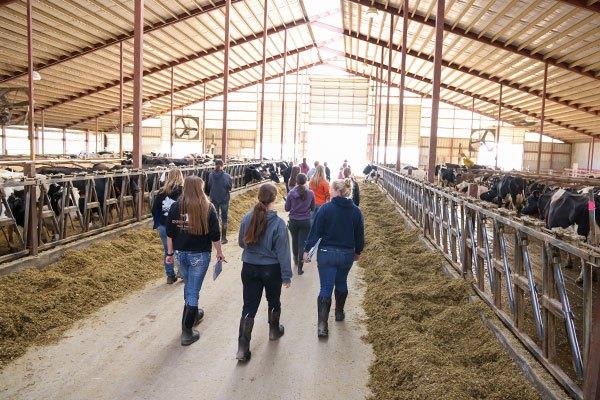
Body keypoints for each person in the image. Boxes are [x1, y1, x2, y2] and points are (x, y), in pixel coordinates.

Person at [166, 176, 225, 346]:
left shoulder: (176, 206)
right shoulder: (208, 207)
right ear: (200, 188)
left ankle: (193, 314)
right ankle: (187, 331)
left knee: (189, 286)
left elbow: (170, 233)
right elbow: (215, 235)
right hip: (199, 255)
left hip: (179, 254)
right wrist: (219, 252)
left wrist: (169, 254)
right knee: (193, 291)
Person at [237, 183, 292, 362]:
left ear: (258, 196)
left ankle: (242, 349)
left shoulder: (247, 217)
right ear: (275, 198)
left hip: (249, 267)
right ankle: (274, 331)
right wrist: (286, 275)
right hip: (271, 269)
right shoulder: (278, 223)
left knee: (249, 306)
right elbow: (283, 252)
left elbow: (241, 243)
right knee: (273, 300)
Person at [304, 179, 364, 338]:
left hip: (326, 253)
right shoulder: (356, 211)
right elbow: (359, 235)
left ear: (337, 190)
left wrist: (307, 250)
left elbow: (315, 231)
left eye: (331, 189)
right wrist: (358, 251)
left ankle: (322, 326)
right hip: (346, 254)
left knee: (326, 287)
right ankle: (339, 312)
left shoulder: (325, 209)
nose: (329, 191)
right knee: (341, 282)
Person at [152, 168, 184, 284]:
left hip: (163, 226)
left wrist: (158, 223)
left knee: (168, 251)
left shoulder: (161, 192)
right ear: (180, 177)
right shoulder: (183, 191)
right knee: (180, 249)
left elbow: (154, 209)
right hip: (178, 225)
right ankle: (182, 273)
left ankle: (170, 276)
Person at [285, 173, 314, 275]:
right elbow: (313, 208)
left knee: (295, 241)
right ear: (306, 181)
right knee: (302, 243)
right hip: (305, 221)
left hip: (293, 221)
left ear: (296, 181)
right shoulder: (310, 193)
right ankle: (300, 268)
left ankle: (296, 261)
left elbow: (286, 208)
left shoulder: (291, 193)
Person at [208, 159, 232, 244]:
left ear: (215, 165)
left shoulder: (210, 175)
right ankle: (224, 238)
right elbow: (230, 187)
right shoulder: (227, 176)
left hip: (214, 198)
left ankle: (216, 238)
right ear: (223, 165)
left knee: (215, 218)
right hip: (224, 199)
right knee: (224, 217)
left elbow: (209, 185)